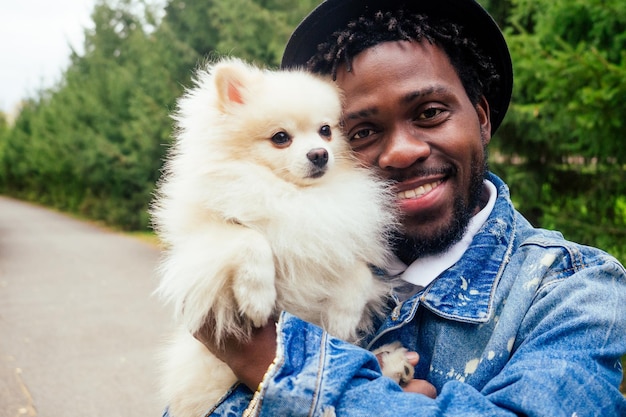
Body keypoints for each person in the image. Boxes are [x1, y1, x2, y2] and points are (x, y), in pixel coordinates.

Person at [168, 0, 626, 415]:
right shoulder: (278, 257)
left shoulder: (573, 293)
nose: (402, 151)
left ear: (481, 117)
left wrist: (271, 360)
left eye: (429, 112)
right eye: (363, 132)